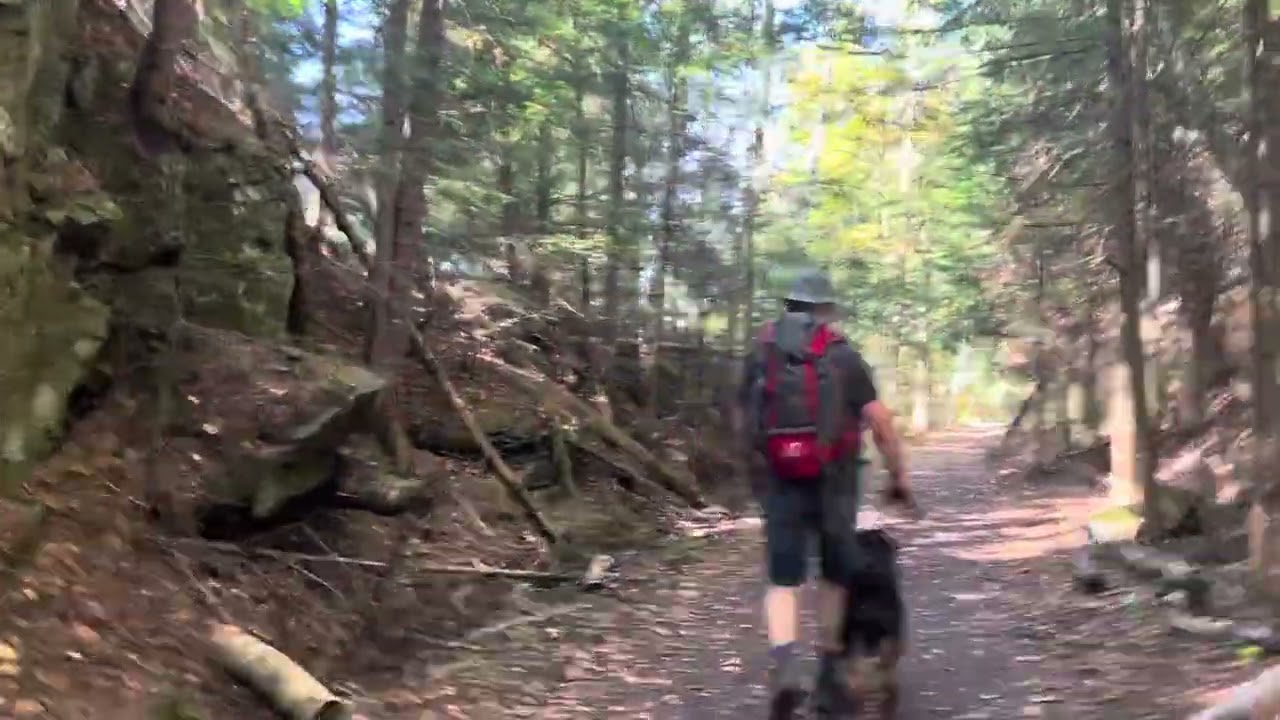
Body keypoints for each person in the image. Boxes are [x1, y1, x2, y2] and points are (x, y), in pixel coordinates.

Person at [733, 268, 913, 718]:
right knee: (835, 574)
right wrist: (898, 477)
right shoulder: (843, 356)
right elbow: (881, 421)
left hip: (778, 478)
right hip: (835, 480)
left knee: (783, 578)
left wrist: (754, 468)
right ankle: (830, 670)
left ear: (791, 304)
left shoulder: (761, 351)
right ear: (826, 309)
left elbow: (742, 418)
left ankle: (784, 666)